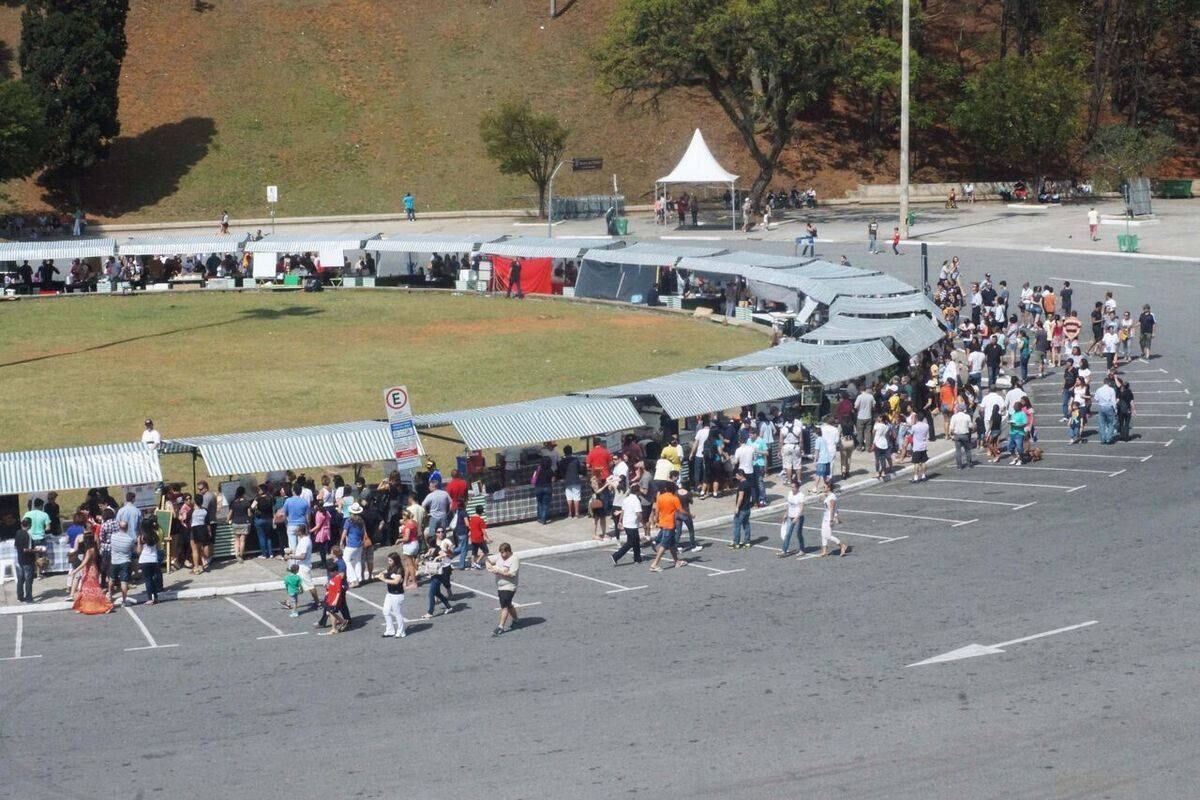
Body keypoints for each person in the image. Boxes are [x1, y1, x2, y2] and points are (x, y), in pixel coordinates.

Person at [648, 482, 685, 573]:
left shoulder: (660, 497)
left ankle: (677, 561)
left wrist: (656, 521)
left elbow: (657, 511)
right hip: (670, 524)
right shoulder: (674, 499)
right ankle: (654, 564)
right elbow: (681, 511)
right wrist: (690, 515)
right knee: (664, 545)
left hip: (663, 523)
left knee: (671, 544)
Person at [71, 533, 113, 615]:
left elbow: (84, 563)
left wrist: (75, 571)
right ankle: (83, 606)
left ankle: (105, 605)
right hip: (94, 569)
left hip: (89, 571)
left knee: (88, 589)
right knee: (91, 589)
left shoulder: (89, 551)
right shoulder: (95, 549)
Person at [486, 543, 520, 637]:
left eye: (504, 553)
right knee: (508, 605)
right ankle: (516, 620)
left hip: (509, 586)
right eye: (501, 553)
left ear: (508, 551)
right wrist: (488, 564)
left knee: (504, 606)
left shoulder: (514, 559)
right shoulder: (499, 556)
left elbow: (512, 574)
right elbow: (488, 559)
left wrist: (498, 571)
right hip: (500, 586)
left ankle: (500, 627)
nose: (502, 555)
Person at [421, 529, 454, 619]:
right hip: (433, 573)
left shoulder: (437, 549)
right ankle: (449, 606)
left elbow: (444, 554)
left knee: (431, 594)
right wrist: (424, 556)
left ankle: (430, 612)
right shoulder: (431, 550)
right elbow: (427, 555)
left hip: (438, 574)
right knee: (437, 593)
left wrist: (436, 558)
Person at [288, 528, 321, 611]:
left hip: (303, 567)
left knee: (310, 586)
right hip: (301, 567)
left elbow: (303, 556)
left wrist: (290, 556)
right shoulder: (304, 540)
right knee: (295, 584)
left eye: (296, 530)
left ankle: (318, 603)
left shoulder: (305, 542)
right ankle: (290, 602)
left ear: (300, 532)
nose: (295, 532)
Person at [107, 519, 138, 606]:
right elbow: (132, 550)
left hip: (114, 561)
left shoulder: (113, 536)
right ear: (127, 528)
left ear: (119, 527)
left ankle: (110, 595)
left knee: (112, 579)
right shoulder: (130, 539)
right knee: (124, 582)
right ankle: (124, 601)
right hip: (125, 561)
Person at [612, 484, 643, 565]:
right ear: (637, 491)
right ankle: (616, 556)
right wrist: (641, 521)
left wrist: (620, 521)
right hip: (632, 524)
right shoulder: (636, 500)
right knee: (631, 542)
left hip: (626, 523)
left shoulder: (626, 499)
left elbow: (623, 511)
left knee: (636, 541)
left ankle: (637, 558)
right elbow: (638, 513)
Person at [379, 552, 407, 638]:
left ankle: (401, 632)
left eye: (390, 560)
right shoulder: (390, 567)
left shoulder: (400, 569)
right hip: (390, 593)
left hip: (397, 595)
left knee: (397, 613)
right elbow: (386, 572)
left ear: (395, 560)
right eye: (388, 560)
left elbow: (396, 581)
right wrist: (381, 574)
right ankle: (390, 630)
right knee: (386, 611)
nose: (388, 562)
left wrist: (383, 579)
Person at [341, 504, 368, 586]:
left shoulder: (349, 521)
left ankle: (353, 579)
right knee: (357, 561)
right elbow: (364, 532)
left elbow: (345, 532)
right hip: (359, 543)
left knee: (346, 560)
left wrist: (341, 541)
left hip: (351, 544)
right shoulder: (361, 521)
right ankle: (358, 578)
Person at [13, 518, 38, 603]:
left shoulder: (18, 532)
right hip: (28, 560)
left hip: (20, 559)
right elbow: (26, 549)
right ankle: (29, 598)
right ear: (30, 525)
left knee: (21, 578)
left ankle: (20, 596)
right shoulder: (28, 535)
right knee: (28, 579)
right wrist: (36, 550)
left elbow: (15, 546)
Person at [817, 487, 847, 558]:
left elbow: (832, 509)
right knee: (823, 534)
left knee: (828, 535)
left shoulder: (832, 497)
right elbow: (820, 502)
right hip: (825, 517)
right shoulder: (827, 495)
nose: (823, 488)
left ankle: (842, 545)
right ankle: (824, 551)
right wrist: (822, 496)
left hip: (830, 517)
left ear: (828, 488)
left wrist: (831, 520)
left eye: (824, 487)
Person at [778, 479, 806, 557]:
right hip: (790, 516)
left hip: (798, 517)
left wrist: (796, 518)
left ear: (797, 488)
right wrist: (785, 514)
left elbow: (801, 508)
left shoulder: (801, 495)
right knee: (787, 534)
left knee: (798, 534)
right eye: (791, 487)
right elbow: (789, 505)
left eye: (793, 487)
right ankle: (784, 550)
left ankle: (802, 549)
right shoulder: (790, 493)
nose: (792, 489)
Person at [138, 524, 163, 605]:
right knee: (153, 579)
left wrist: (138, 543)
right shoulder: (155, 535)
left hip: (145, 559)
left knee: (148, 579)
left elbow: (139, 550)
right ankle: (155, 597)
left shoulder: (142, 537)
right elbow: (159, 548)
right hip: (154, 559)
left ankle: (149, 598)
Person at [730, 469, 753, 549]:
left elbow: (740, 497)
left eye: (736, 476)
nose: (736, 477)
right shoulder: (748, 483)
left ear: (741, 475)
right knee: (746, 525)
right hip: (747, 508)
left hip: (741, 509)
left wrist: (737, 507)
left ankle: (736, 543)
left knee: (737, 525)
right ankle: (747, 542)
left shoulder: (741, 485)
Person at [228, 486, 251, 562]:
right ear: (244, 493)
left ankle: (236, 554)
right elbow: (249, 514)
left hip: (235, 522)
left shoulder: (233, 502)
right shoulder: (246, 502)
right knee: (242, 540)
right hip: (244, 522)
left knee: (236, 539)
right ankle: (241, 555)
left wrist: (227, 520)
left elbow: (230, 514)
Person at [251, 484, 275, 558]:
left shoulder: (257, 499)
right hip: (269, 519)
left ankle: (264, 554)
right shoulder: (270, 498)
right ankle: (271, 553)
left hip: (260, 519)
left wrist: (255, 510)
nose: (258, 491)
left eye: (259, 489)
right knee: (269, 537)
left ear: (262, 490)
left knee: (261, 537)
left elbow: (252, 507)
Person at [949, 402, 975, 469]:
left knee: (958, 451)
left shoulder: (954, 417)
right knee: (967, 450)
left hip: (957, 435)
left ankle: (959, 466)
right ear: (964, 409)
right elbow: (971, 426)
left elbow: (951, 428)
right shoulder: (967, 416)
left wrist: (951, 435)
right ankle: (969, 463)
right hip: (965, 434)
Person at [1093, 378, 1119, 444]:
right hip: (1109, 407)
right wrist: (1115, 409)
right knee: (1111, 423)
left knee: (1101, 424)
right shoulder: (1111, 390)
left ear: (1103, 382)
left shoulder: (1099, 389)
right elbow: (1113, 401)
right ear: (1109, 383)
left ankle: (1103, 439)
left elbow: (1096, 398)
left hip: (1101, 407)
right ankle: (1108, 438)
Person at [909, 414, 930, 482]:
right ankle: (923, 475)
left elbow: (910, 434)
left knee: (916, 463)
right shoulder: (926, 425)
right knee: (923, 462)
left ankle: (916, 477)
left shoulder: (914, 427)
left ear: (917, 418)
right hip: (923, 446)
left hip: (917, 447)